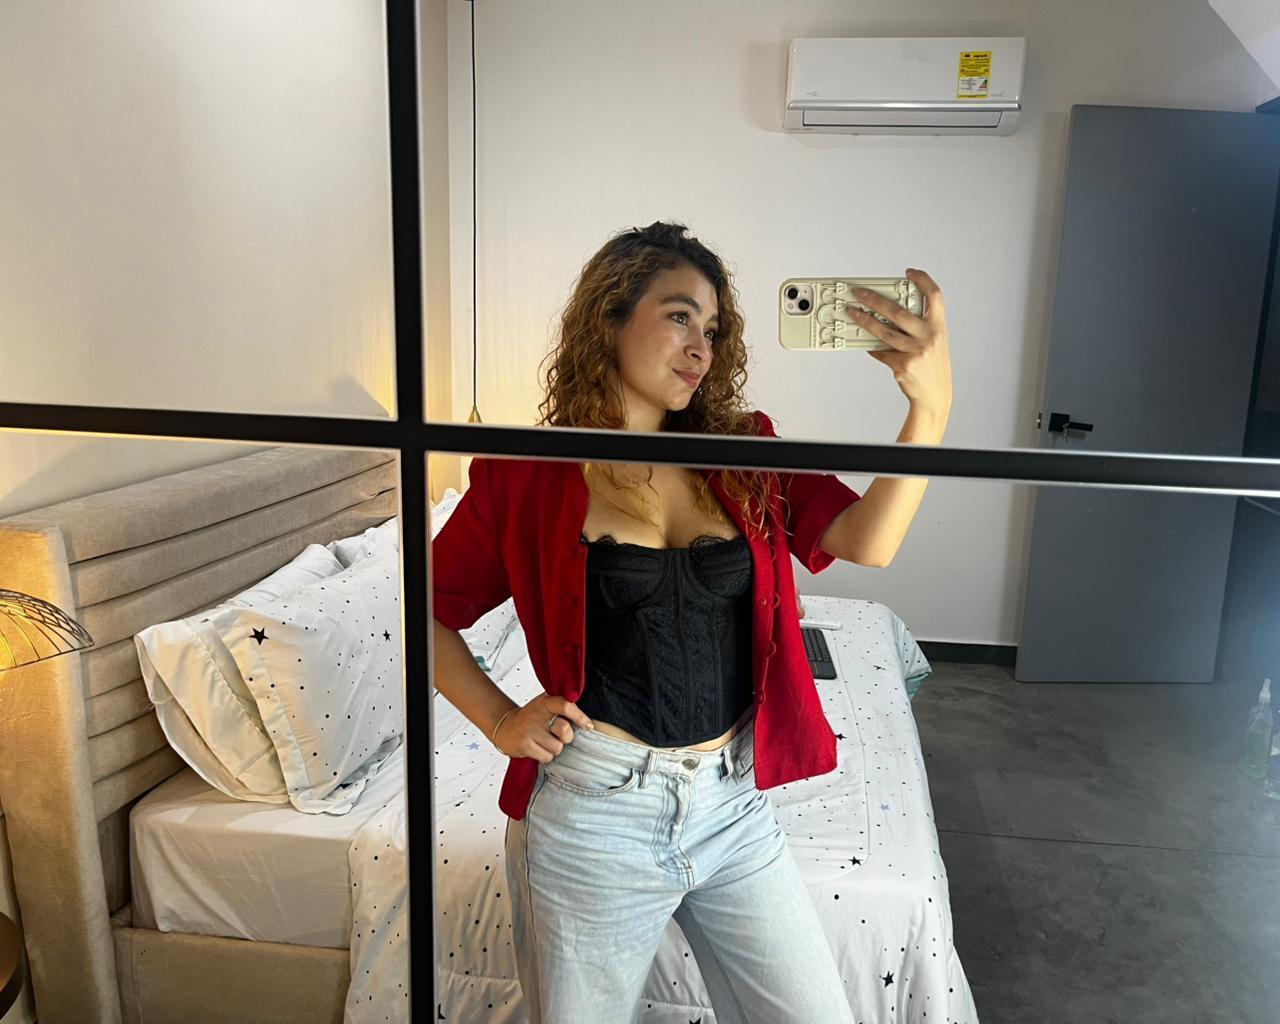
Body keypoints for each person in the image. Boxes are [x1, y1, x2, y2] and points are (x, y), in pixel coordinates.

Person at [431, 221, 952, 1023]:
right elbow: (426, 611)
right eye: (679, 316)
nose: (700, 347)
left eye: (712, 329)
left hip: (732, 801)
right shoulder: (527, 469)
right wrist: (500, 719)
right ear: (609, 317)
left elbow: (868, 540)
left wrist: (930, 408)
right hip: (592, 814)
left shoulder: (746, 448)